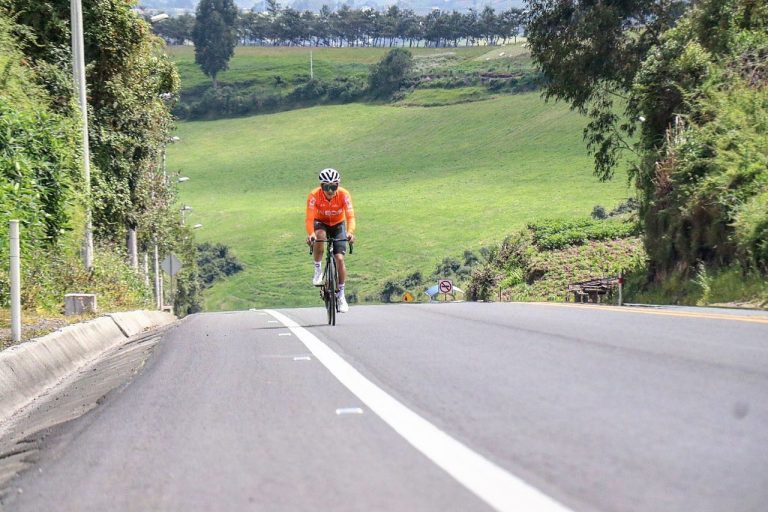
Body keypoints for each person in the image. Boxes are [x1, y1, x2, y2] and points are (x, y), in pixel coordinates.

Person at [305, 168, 356, 313]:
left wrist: (350, 233)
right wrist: (311, 234)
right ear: (321, 186)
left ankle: (341, 295)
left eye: (333, 186)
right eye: (326, 187)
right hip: (320, 223)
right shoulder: (314, 196)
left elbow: (351, 217)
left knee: (339, 258)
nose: (330, 190)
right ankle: (318, 270)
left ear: (338, 185)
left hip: (338, 224)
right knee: (319, 236)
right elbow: (309, 218)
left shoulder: (344, 195)